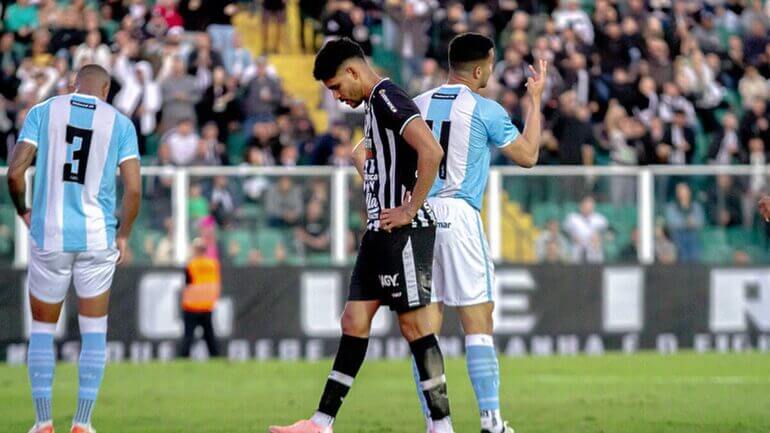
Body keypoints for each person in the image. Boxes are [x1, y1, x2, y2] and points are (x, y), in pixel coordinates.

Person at [269, 38, 453, 433]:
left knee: (415, 328)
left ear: (353, 72)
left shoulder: (388, 98)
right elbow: (362, 155)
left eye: (336, 87)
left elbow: (432, 152)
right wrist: (378, 187)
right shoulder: (374, 106)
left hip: (404, 231)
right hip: (378, 233)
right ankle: (320, 423)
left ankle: (442, 426)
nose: (336, 97)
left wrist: (407, 209)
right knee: (353, 321)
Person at [411, 33, 546, 433]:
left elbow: (370, 152)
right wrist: (535, 101)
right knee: (478, 322)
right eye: (490, 63)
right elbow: (528, 156)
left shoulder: (416, 104)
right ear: (479, 69)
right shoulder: (484, 109)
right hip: (458, 216)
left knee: (425, 331)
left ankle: (438, 426)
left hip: (417, 216)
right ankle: (491, 421)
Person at [7, 64, 141, 433]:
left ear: (72, 85)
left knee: (42, 330)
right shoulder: (120, 123)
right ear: (107, 89)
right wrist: (124, 234)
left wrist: (23, 210)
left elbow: (15, 173)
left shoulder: (44, 110)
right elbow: (133, 190)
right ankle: (82, 423)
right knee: (94, 330)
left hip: (49, 234)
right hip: (98, 238)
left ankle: (43, 421)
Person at [179, 238, 221, 358]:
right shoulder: (213, 264)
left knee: (188, 336)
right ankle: (215, 357)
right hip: (207, 306)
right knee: (209, 336)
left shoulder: (191, 265)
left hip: (192, 306)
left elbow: (187, 283)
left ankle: (184, 357)